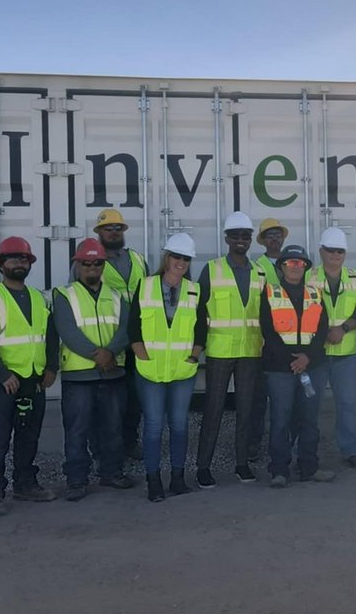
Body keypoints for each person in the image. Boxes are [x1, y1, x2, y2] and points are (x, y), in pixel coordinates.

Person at [0, 236, 59, 516]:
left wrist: (52, 368)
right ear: (1, 264)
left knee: (29, 436)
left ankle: (25, 485)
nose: (19, 263)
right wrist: (1, 374)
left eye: (24, 258)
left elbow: (51, 336)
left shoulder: (40, 298)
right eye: (13, 258)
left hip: (34, 379)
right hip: (4, 382)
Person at [52, 238, 134, 502]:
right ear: (77, 265)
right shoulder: (64, 295)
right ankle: (76, 480)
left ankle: (111, 472)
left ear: (103, 265)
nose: (92, 268)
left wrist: (110, 352)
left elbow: (126, 330)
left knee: (113, 427)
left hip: (113, 373)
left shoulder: (117, 296)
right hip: (79, 376)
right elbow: (68, 331)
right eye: (86, 263)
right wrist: (100, 355)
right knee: (77, 430)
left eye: (97, 263)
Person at [130, 233, 203, 502]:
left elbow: (201, 330)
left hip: (182, 371)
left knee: (180, 426)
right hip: (151, 371)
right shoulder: (146, 285)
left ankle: (178, 478)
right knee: (153, 427)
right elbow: (133, 327)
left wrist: (193, 357)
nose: (181, 262)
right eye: (176, 256)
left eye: (186, 258)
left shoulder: (194, 290)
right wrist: (143, 357)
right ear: (166, 257)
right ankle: (153, 481)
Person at [194, 211, 264, 488]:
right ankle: (203, 467)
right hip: (220, 351)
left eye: (245, 236)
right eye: (235, 236)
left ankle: (242, 464)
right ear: (226, 239)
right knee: (213, 410)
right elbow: (199, 311)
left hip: (250, 351)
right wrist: (197, 347)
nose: (240, 240)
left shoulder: (259, 272)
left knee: (246, 410)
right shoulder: (212, 270)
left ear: (250, 240)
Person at [73, 209, 149, 462]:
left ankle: (129, 442)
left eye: (118, 228)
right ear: (99, 232)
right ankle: (100, 449)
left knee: (134, 398)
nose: (114, 232)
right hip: (107, 341)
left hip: (136, 339)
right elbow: (78, 298)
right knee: (105, 400)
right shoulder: (90, 261)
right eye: (108, 228)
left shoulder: (137, 259)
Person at [259, 244, 334, 488]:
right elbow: (268, 331)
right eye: (290, 263)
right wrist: (293, 360)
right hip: (280, 369)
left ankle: (309, 467)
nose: (295, 267)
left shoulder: (315, 293)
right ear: (281, 267)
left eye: (300, 263)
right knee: (280, 420)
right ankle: (279, 470)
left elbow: (322, 330)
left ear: (305, 268)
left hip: (312, 366)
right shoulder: (270, 293)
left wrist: (306, 358)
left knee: (310, 419)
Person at [305, 226, 356, 468]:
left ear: (345, 254)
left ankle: (350, 450)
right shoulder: (307, 277)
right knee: (309, 404)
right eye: (331, 250)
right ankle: (305, 452)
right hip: (315, 355)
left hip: (345, 354)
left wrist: (343, 328)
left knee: (346, 403)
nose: (335, 255)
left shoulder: (354, 278)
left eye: (340, 251)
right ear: (321, 251)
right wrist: (321, 335)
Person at [247, 217, 289, 465]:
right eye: (269, 235)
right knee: (258, 396)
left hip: (291, 340)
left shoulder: (294, 262)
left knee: (288, 398)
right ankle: (253, 442)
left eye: (277, 234)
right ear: (262, 241)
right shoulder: (256, 267)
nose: (275, 239)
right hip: (264, 341)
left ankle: (287, 443)